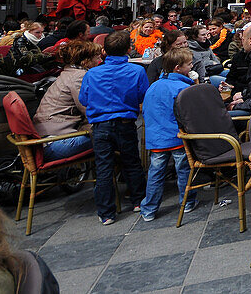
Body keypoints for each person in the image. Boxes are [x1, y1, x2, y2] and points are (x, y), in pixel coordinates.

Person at [78, 30, 148, 225]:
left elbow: (83, 99)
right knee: (132, 162)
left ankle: (106, 212)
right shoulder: (137, 71)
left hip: (100, 126)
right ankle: (138, 201)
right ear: (128, 49)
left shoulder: (92, 73)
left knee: (104, 168)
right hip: (125, 123)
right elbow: (143, 96)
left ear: (103, 51)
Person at [139, 47, 198, 222]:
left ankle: (149, 209)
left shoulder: (154, 86)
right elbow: (189, 114)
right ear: (178, 68)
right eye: (189, 64)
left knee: (155, 174)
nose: (192, 66)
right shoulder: (182, 88)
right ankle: (187, 202)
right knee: (184, 170)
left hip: (156, 138)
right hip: (177, 137)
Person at [33, 40, 102, 161]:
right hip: (55, 143)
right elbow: (89, 109)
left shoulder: (69, 72)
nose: (100, 61)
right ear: (86, 61)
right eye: (97, 57)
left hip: (46, 139)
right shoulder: (79, 76)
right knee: (110, 135)